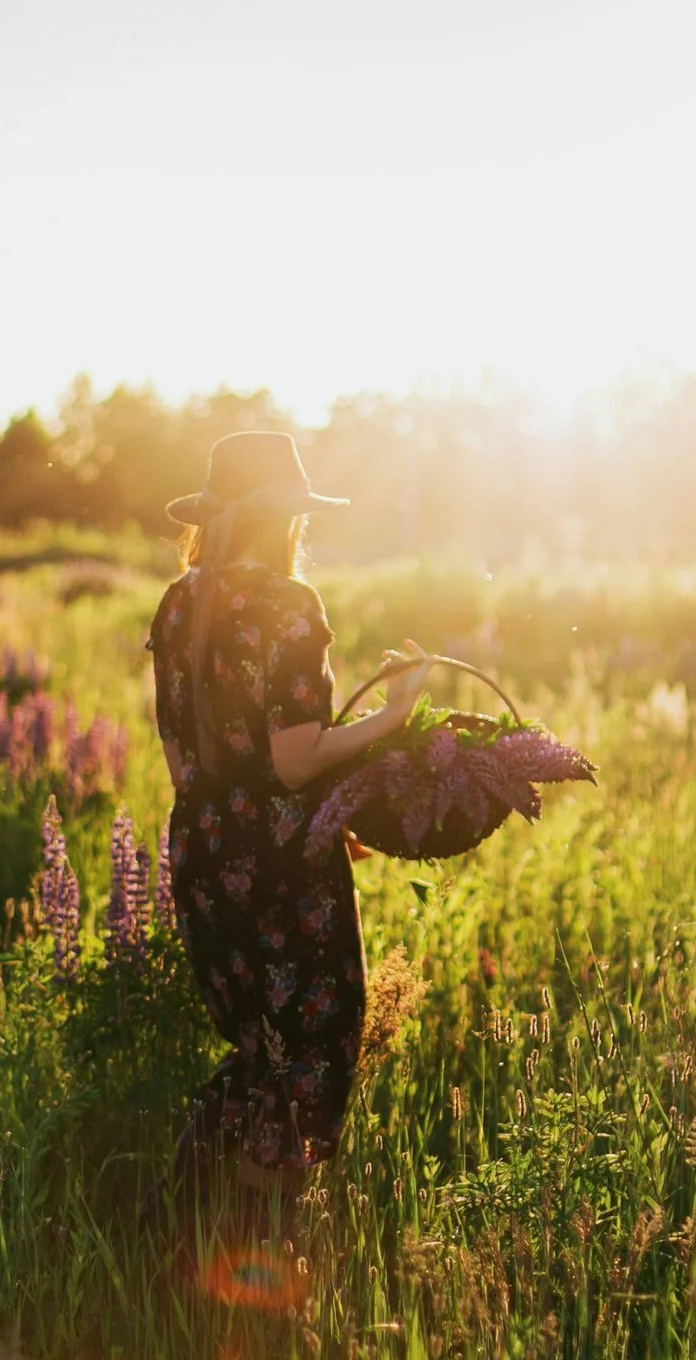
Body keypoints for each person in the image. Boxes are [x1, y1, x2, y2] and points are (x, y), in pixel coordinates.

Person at [146, 432, 430, 1198]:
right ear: (285, 520)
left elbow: (180, 758)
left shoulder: (177, 606)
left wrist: (286, 815)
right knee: (314, 1046)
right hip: (283, 867)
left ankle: (197, 1216)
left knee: (257, 1048)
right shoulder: (287, 604)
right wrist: (393, 717)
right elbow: (295, 758)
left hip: (202, 854)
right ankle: (265, 1229)